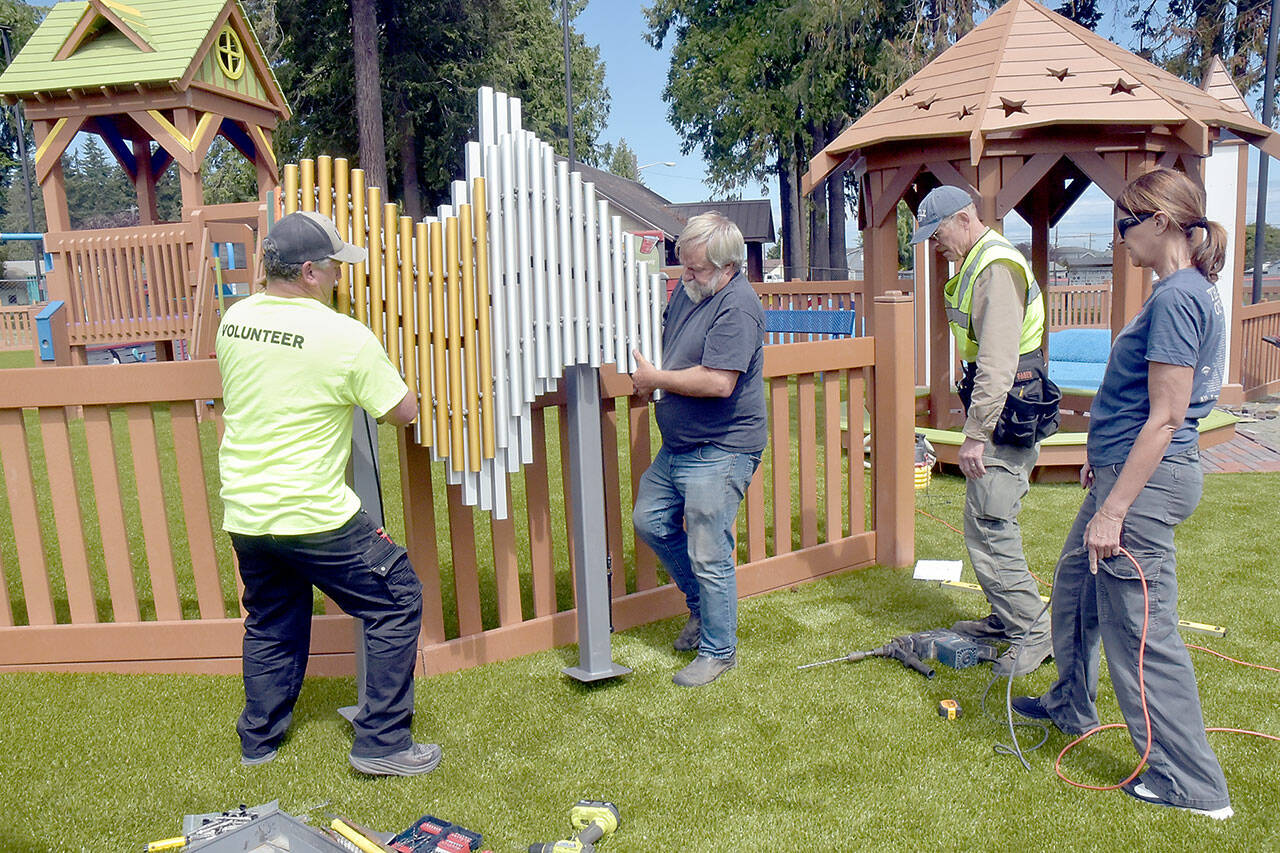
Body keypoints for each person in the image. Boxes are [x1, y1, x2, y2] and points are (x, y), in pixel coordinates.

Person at [1013, 168, 1232, 819]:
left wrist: (1115, 506)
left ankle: (1189, 781)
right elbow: (1140, 403)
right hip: (1122, 471)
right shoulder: (1179, 290)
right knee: (1076, 587)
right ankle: (1070, 704)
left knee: (1141, 633)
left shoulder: (1178, 297)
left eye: (1125, 225)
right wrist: (1100, 463)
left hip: (1144, 487)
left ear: (1160, 221)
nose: (1119, 239)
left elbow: (1166, 415)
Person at [217, 211, 439, 776]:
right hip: (315, 515)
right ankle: (383, 744)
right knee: (398, 600)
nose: (341, 275)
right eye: (335, 266)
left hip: (247, 511)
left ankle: (258, 742)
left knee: (271, 619)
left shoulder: (234, 320)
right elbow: (401, 411)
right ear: (310, 272)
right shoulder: (344, 335)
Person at [910, 185, 1059, 677]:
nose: (937, 245)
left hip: (1005, 410)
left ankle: (1033, 632)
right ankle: (1007, 618)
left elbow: (997, 360)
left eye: (938, 234)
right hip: (1006, 403)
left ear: (964, 218)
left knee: (993, 524)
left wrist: (975, 435)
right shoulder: (984, 262)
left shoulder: (995, 266)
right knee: (983, 521)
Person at [630, 212, 765, 687]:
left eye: (696, 270)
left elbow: (718, 381)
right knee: (649, 519)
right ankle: (700, 606)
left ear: (727, 268)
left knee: (709, 551)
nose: (685, 278)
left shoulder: (738, 306)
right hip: (681, 445)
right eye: (683, 267)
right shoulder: (690, 292)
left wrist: (656, 379)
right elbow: (673, 350)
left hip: (723, 446)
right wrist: (653, 380)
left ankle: (719, 650)